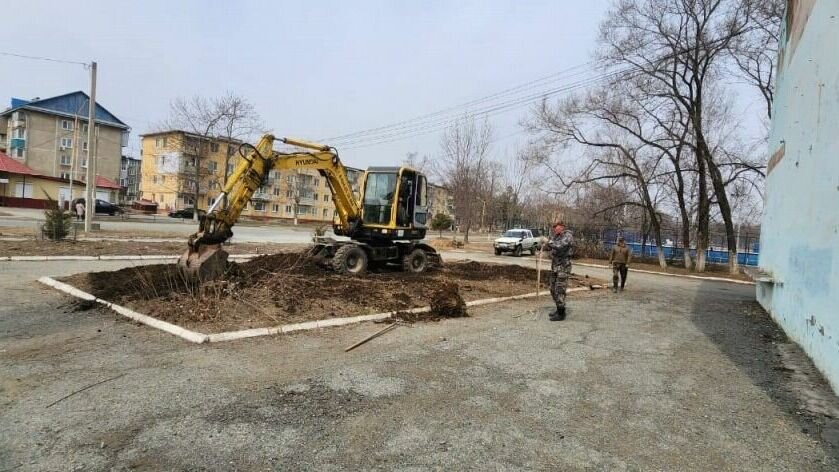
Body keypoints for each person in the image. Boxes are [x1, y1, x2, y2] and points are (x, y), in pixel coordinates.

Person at [546, 221, 574, 321]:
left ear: (562, 227)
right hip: (555, 267)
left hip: (563, 267)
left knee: (560, 289)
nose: (555, 229)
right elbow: (551, 248)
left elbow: (560, 246)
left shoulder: (568, 236)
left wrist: (549, 242)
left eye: (556, 227)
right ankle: (558, 308)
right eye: (554, 228)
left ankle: (561, 313)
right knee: (552, 289)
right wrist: (543, 244)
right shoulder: (556, 237)